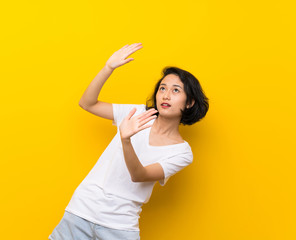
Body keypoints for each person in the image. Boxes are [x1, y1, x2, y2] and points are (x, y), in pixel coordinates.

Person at [48, 43, 209, 240]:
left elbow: (139, 175)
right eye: (162, 88)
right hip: (81, 210)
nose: (166, 95)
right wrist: (108, 68)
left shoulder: (182, 153)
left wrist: (126, 140)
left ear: (190, 102)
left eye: (176, 91)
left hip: (119, 224)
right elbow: (87, 103)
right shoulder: (137, 113)